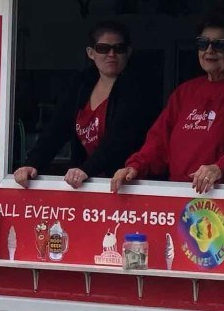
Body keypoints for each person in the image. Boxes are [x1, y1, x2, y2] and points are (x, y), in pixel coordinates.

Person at [11, 20, 159, 189]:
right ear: (91, 53)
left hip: (125, 184)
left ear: (129, 52)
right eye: (103, 48)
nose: (111, 54)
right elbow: (56, 129)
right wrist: (32, 164)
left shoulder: (138, 88)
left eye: (119, 48)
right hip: (86, 183)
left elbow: (120, 139)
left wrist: (86, 169)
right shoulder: (81, 84)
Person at [111, 18, 224, 195]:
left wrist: (219, 168)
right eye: (203, 43)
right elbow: (158, 141)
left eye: (219, 45)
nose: (209, 50)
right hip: (178, 194)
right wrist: (134, 167)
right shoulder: (185, 92)